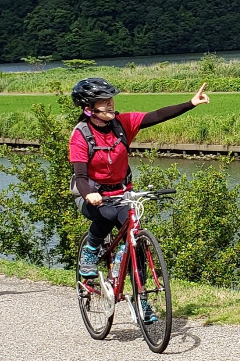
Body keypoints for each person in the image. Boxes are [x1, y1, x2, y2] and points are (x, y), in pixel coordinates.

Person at [69, 77, 209, 315]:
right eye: (104, 102)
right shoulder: (80, 135)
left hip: (123, 192)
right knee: (108, 213)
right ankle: (90, 251)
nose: (111, 105)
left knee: (137, 241)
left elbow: (156, 116)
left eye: (111, 100)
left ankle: (140, 298)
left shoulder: (122, 124)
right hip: (92, 194)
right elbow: (80, 176)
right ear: (89, 108)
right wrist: (89, 194)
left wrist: (191, 103)